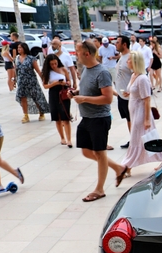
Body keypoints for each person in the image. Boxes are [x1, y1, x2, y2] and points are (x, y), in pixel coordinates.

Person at [70, 41, 127, 202]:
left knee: (100, 153)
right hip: (86, 118)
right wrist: (76, 92)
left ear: (86, 54)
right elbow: (88, 88)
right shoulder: (86, 70)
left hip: (99, 119)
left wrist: (84, 98)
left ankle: (100, 189)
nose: (76, 54)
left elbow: (108, 98)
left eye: (77, 52)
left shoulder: (102, 72)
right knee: (87, 151)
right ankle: (118, 168)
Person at [118, 51, 162, 181]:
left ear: (135, 62)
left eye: (129, 60)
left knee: (137, 139)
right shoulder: (134, 75)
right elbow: (136, 93)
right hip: (135, 112)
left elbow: (147, 99)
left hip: (141, 114)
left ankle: (127, 165)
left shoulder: (142, 78)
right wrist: (128, 94)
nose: (127, 61)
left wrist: (146, 119)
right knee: (148, 139)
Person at [14, 43, 50, 123]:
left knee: (36, 97)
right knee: (23, 97)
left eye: (20, 47)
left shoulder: (31, 58)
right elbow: (16, 70)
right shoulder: (17, 58)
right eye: (18, 48)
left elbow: (38, 70)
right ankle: (26, 115)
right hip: (21, 81)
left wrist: (44, 80)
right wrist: (14, 79)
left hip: (31, 81)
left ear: (24, 48)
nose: (18, 49)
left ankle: (41, 112)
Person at [42, 54, 72, 147]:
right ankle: (62, 137)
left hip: (63, 92)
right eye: (52, 64)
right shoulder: (47, 72)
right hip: (53, 93)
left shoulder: (63, 69)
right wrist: (54, 83)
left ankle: (69, 139)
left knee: (65, 116)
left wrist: (66, 83)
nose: (54, 66)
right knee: (57, 117)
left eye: (55, 63)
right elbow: (45, 85)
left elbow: (69, 81)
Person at [115, 35, 133, 149]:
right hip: (121, 95)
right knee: (128, 119)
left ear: (124, 44)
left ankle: (136, 141)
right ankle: (133, 139)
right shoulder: (121, 57)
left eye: (117, 42)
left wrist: (131, 91)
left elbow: (136, 74)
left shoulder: (130, 58)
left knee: (132, 119)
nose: (115, 44)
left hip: (129, 96)